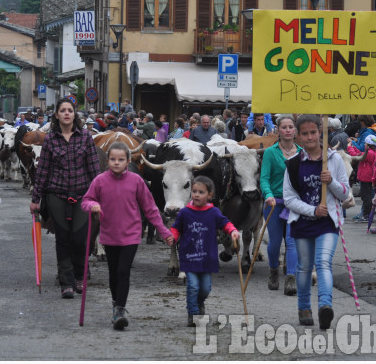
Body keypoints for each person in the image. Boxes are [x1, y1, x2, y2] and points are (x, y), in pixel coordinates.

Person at [81, 142, 174, 330]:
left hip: (131, 234)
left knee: (123, 271)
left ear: (128, 161)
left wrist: (164, 232)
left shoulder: (136, 181)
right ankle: (116, 302)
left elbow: (150, 209)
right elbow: (86, 200)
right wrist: (92, 206)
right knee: (113, 274)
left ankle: (120, 309)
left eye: (121, 159)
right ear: (108, 161)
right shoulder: (99, 180)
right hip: (109, 235)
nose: (117, 163)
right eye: (113, 159)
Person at [283, 114, 350, 329]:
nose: (310, 137)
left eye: (313, 132)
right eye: (305, 133)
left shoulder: (335, 160)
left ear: (320, 134)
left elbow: (345, 193)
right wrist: (312, 209)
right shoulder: (293, 164)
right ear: (298, 137)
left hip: (327, 222)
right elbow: (289, 198)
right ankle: (304, 308)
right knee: (303, 267)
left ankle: (325, 307)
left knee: (323, 262)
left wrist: (331, 182)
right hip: (302, 222)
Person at [30, 98, 102, 298]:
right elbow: (42, 171)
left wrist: (98, 198)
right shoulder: (50, 139)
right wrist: (36, 199)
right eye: (63, 110)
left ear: (74, 114)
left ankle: (80, 277)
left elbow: (94, 170)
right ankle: (66, 283)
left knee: (79, 239)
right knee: (63, 239)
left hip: (83, 194)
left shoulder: (86, 137)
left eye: (70, 110)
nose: (67, 113)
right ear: (57, 115)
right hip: (57, 194)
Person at [170, 175, 239, 327]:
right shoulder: (185, 212)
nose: (196, 195)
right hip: (189, 257)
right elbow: (176, 228)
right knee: (193, 286)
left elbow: (225, 223)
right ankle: (193, 313)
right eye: (194, 191)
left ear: (210, 195)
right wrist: (173, 237)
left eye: (201, 192)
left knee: (206, 288)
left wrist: (232, 231)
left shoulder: (213, 212)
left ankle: (199, 303)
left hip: (207, 258)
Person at [259, 115, 301, 295]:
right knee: (275, 242)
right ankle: (274, 270)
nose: (288, 130)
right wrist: (268, 195)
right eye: (284, 127)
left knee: (292, 241)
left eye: (291, 127)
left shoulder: (302, 153)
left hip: (295, 204)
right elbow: (264, 179)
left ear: (295, 130)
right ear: (278, 130)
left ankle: (291, 278)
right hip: (274, 203)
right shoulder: (270, 152)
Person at [347, 134, 376, 223]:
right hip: (367, 177)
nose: (364, 145)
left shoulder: (369, 153)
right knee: (366, 197)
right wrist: (354, 147)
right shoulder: (371, 152)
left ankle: (366, 215)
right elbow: (359, 153)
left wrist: (349, 147)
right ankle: (366, 214)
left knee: (366, 197)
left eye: (365, 143)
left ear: (368, 144)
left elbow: (355, 155)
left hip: (366, 178)